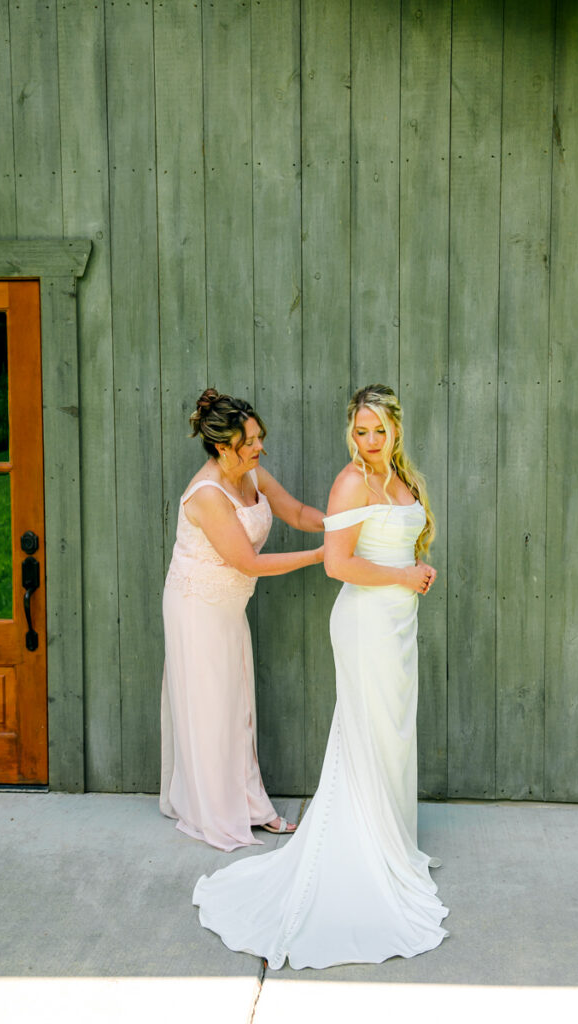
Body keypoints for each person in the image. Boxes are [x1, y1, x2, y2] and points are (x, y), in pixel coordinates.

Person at [193, 384, 449, 969]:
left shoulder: (402, 480)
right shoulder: (352, 481)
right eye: (361, 430)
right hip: (364, 624)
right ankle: (366, 851)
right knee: (369, 729)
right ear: (351, 432)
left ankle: (394, 842)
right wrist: (407, 576)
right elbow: (338, 563)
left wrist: (410, 578)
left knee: (393, 731)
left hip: (396, 625)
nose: (371, 440)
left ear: (396, 430)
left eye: (379, 430)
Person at [160, 389, 324, 852]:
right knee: (212, 707)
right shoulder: (207, 494)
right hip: (197, 604)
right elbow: (247, 562)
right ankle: (218, 810)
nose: (259, 447)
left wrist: (340, 525)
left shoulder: (250, 472)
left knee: (237, 707)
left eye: (258, 437)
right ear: (221, 446)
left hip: (229, 605)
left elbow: (293, 511)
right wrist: (320, 556)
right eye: (249, 441)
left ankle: (250, 804)